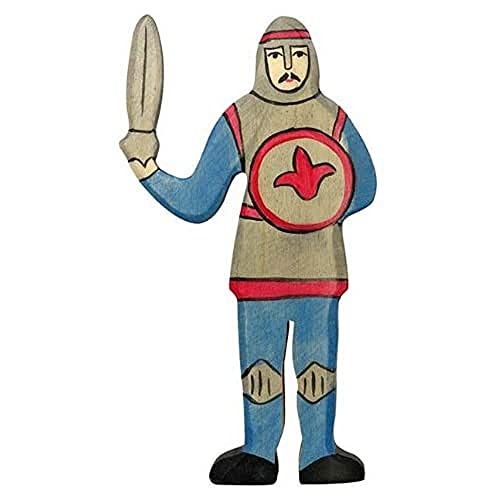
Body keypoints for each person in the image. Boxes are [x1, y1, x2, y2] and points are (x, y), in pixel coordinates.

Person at [120, 15, 376, 484]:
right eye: (276, 56)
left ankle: (318, 451)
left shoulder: (331, 117)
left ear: (313, 59)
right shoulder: (242, 118)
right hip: (258, 269)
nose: (287, 67)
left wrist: (320, 206)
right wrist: (149, 170)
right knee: (259, 369)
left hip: (320, 269)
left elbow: (364, 185)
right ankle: (259, 450)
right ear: (261, 61)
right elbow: (200, 198)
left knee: (318, 367)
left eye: (297, 55)